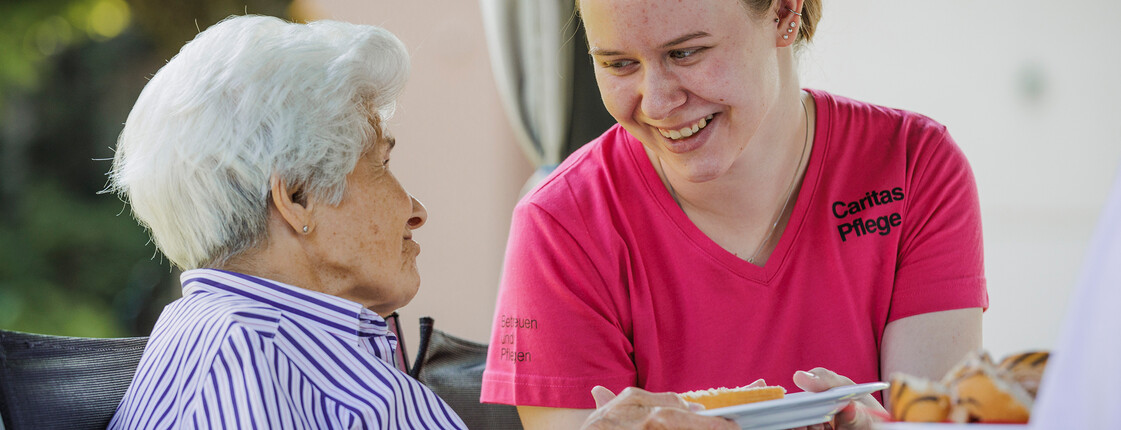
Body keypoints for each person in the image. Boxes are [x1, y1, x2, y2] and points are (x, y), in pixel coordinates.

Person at [104, 13, 731, 430]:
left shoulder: (285, 352)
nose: (417, 209)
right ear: (296, 197)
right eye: (380, 165)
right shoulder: (238, 371)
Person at [481, 0, 987, 429]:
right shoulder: (560, 225)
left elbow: (932, 417)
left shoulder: (913, 166)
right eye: (618, 64)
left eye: (686, 53)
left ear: (784, 13)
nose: (656, 103)